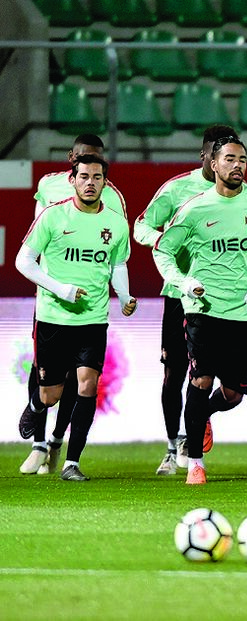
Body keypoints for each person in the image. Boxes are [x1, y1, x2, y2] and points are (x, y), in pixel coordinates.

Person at [153, 136, 247, 485]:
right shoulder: (195, 208)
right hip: (201, 310)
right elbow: (163, 250)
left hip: (242, 313)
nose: (237, 165)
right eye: (229, 159)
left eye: (242, 159)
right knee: (200, 379)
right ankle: (195, 462)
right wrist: (182, 282)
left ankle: (206, 412)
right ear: (214, 164)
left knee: (233, 394)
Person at [16, 154, 136, 481]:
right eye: (84, 176)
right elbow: (23, 261)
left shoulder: (114, 222)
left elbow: (118, 264)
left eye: (97, 177)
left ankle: (72, 462)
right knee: (50, 394)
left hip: (93, 319)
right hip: (54, 318)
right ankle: (38, 408)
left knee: (87, 384)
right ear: (73, 180)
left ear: (104, 183)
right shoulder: (54, 217)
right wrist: (60, 289)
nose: (90, 182)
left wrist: (124, 296)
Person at [134, 124, 240, 476]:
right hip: (180, 295)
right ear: (205, 155)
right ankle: (173, 444)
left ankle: (200, 418)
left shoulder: (244, 195)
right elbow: (142, 227)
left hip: (224, 302)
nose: (221, 158)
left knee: (228, 382)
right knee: (175, 371)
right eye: (216, 151)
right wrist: (166, 239)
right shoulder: (178, 189)